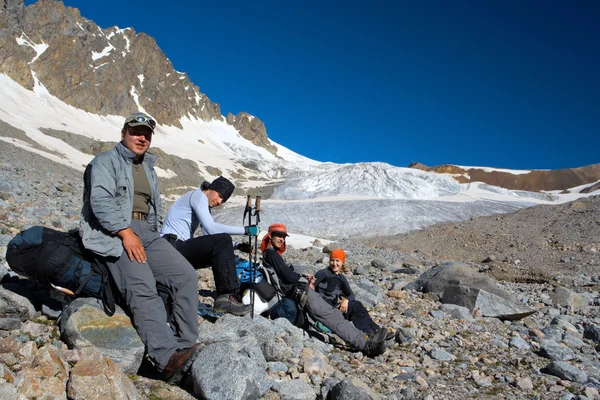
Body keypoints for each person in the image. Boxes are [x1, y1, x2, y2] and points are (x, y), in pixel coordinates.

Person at [79, 112, 199, 383]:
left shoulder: (148, 168)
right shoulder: (104, 162)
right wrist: (125, 232)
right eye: (136, 132)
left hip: (146, 232)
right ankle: (166, 358)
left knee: (185, 275)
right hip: (113, 232)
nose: (142, 137)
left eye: (147, 134)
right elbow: (100, 201)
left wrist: (148, 234)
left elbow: (154, 210)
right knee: (142, 285)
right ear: (123, 133)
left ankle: (186, 345)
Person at [261, 224, 387, 357]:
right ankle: (366, 345)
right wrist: (302, 279)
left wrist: (303, 277)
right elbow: (288, 276)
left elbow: (285, 275)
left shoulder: (269, 254)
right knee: (332, 317)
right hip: (301, 293)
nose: (281, 239)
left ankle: (366, 339)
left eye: (283, 237)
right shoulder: (272, 254)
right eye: (278, 236)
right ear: (270, 236)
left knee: (334, 315)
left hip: (299, 292)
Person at [160, 177, 258, 315]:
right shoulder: (197, 195)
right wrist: (246, 230)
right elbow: (212, 229)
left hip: (175, 248)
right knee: (223, 239)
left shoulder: (201, 203)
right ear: (211, 189)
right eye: (220, 196)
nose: (219, 202)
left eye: (223, 201)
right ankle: (226, 296)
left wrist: (238, 246)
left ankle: (231, 297)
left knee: (223, 243)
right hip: (171, 246)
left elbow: (209, 235)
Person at [313, 249, 388, 337]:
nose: (334, 263)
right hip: (324, 309)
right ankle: (369, 333)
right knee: (356, 306)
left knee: (357, 305)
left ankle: (375, 330)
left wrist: (346, 300)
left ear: (342, 262)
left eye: (337, 261)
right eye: (332, 260)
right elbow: (311, 288)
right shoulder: (323, 273)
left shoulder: (341, 278)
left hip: (334, 308)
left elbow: (351, 295)